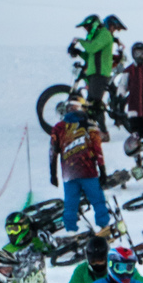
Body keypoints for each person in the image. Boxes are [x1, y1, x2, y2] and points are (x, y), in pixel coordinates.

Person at [49, 89, 110, 233]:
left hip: (69, 174)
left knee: (70, 205)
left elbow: (52, 152)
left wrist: (53, 174)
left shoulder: (58, 128)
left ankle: (70, 231)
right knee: (98, 201)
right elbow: (97, 149)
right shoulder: (89, 124)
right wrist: (102, 170)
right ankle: (104, 226)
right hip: (89, 171)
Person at [73, 14, 117, 137]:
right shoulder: (97, 36)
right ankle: (92, 130)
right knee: (90, 104)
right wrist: (78, 52)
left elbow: (92, 48)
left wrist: (80, 41)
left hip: (100, 74)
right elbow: (90, 56)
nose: (86, 30)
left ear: (94, 25)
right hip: (94, 74)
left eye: (87, 27)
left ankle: (104, 133)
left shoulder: (104, 34)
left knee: (95, 104)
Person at [122, 41, 143, 160]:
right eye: (137, 53)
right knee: (135, 132)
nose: (139, 56)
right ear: (133, 54)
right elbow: (123, 85)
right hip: (133, 106)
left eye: (142, 53)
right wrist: (119, 95)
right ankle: (136, 155)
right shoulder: (129, 70)